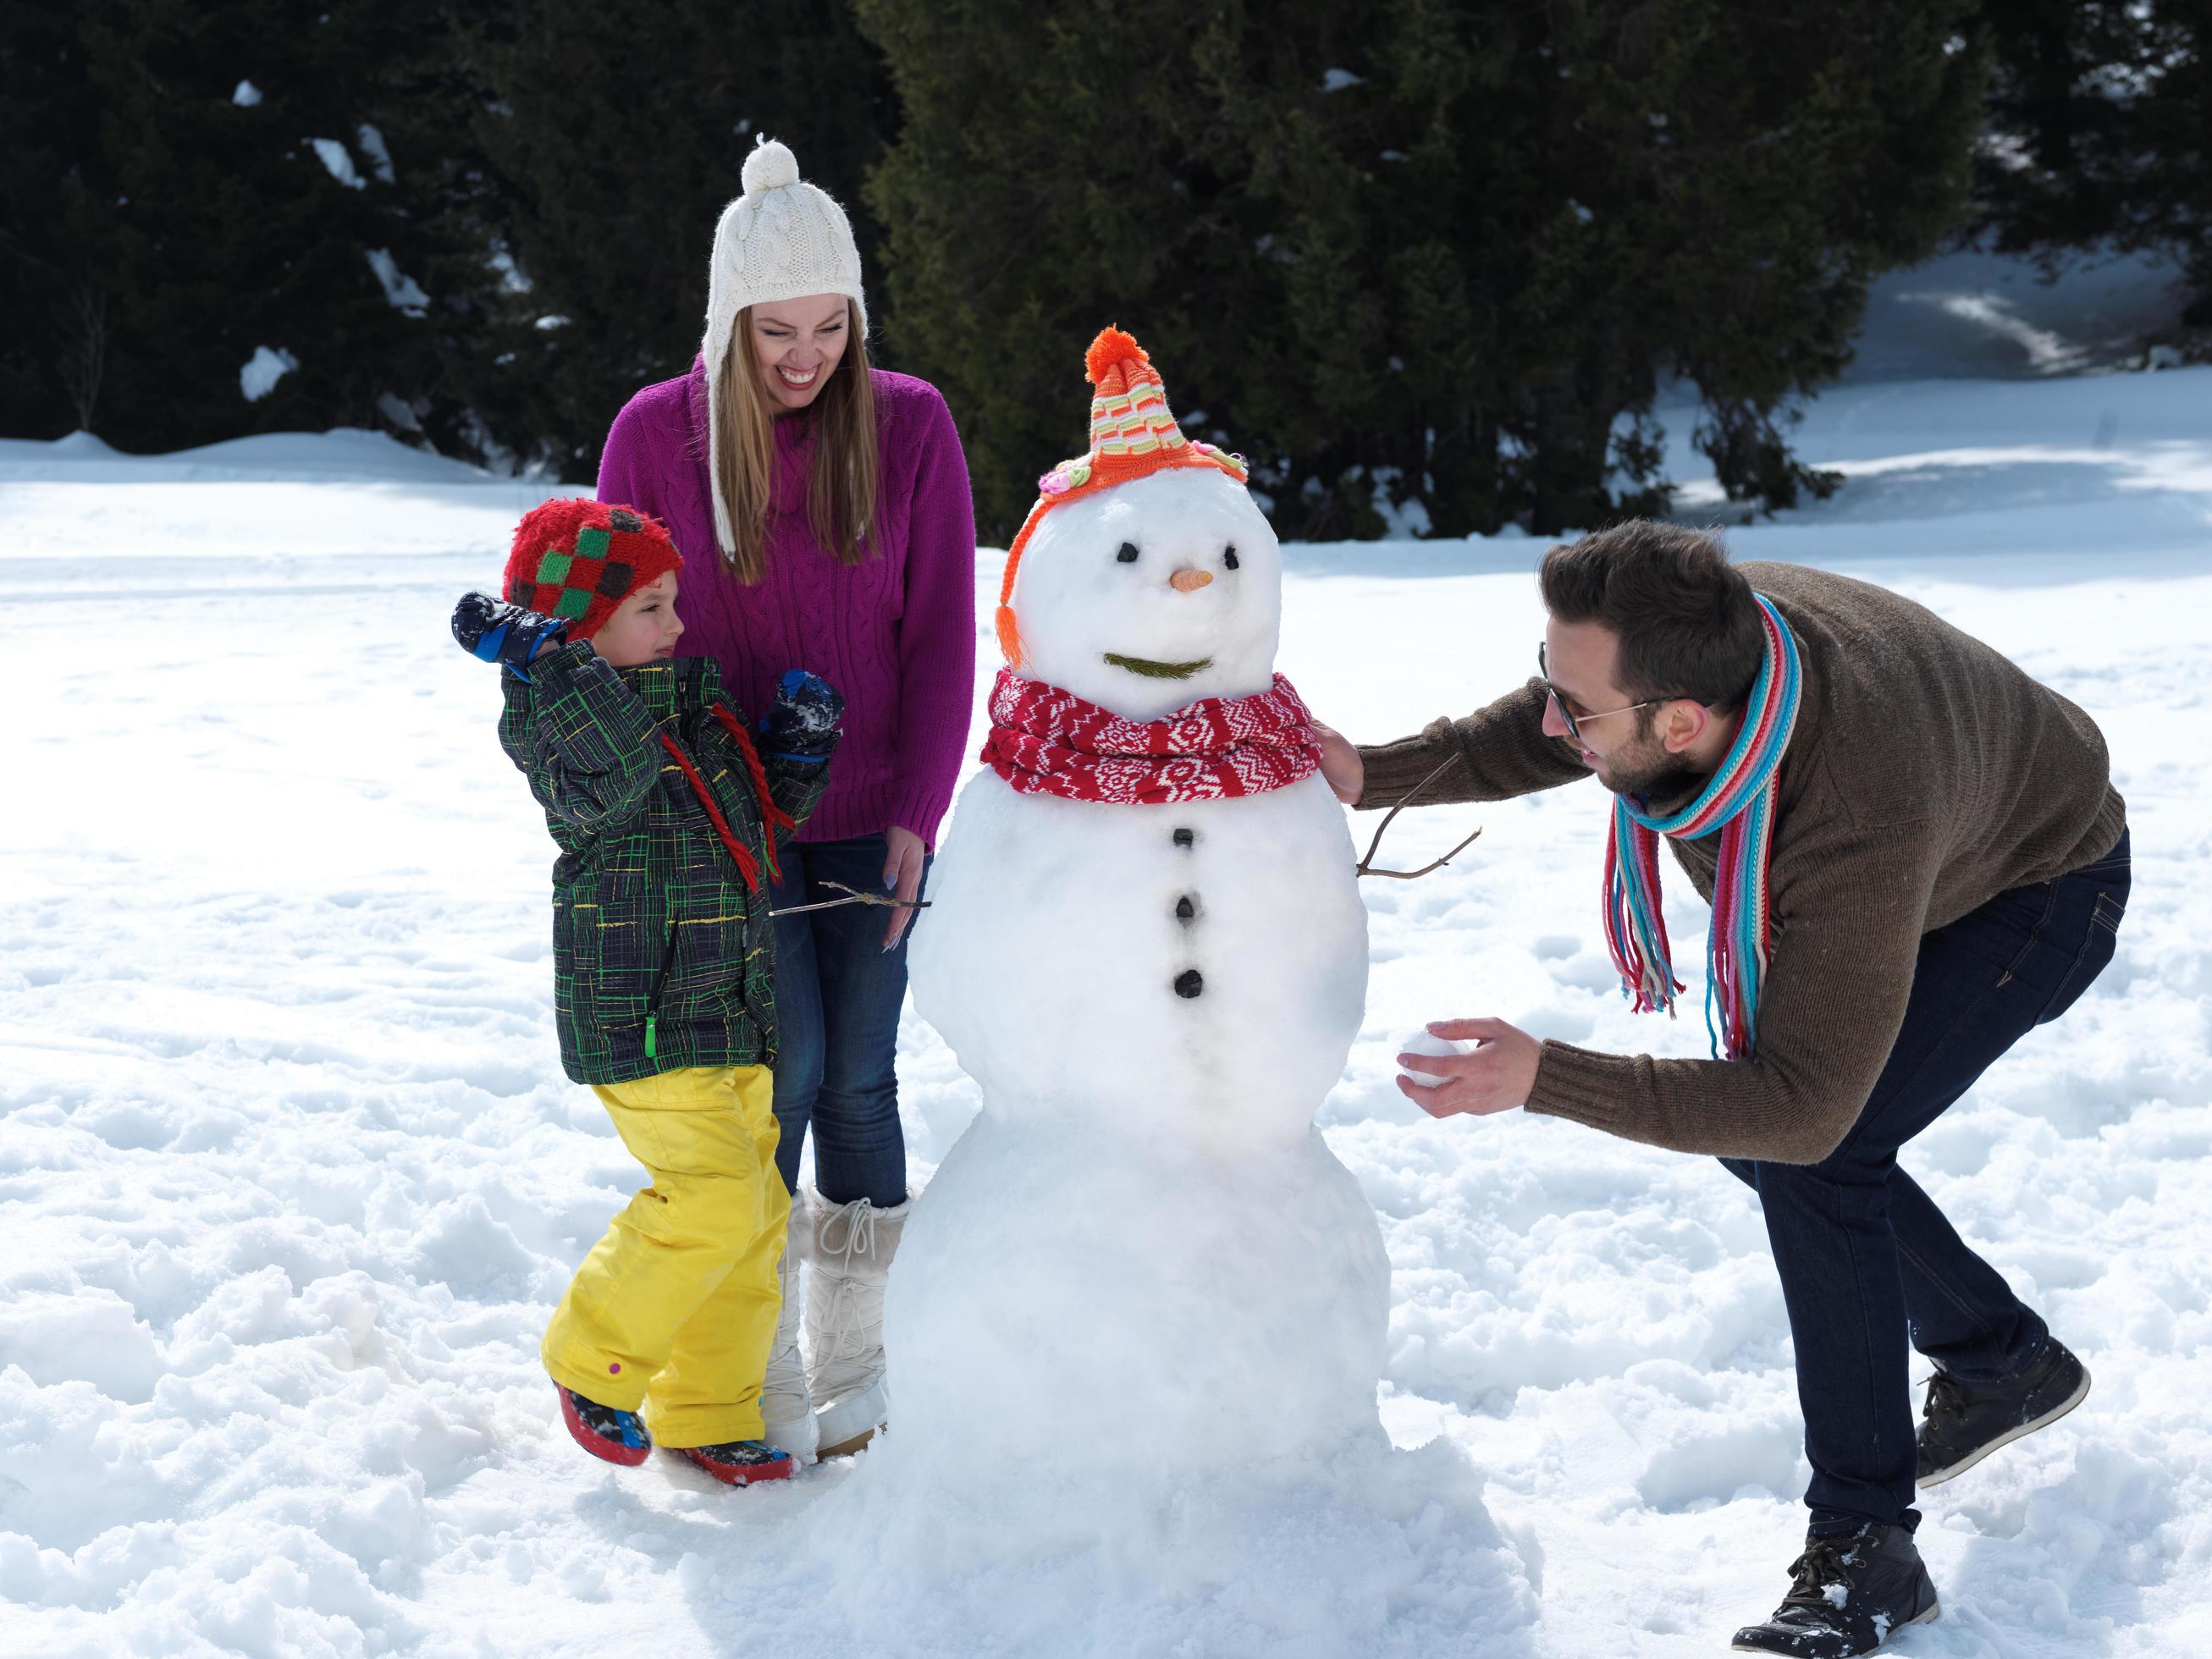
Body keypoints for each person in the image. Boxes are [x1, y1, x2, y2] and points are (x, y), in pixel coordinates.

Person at [1314, 522, 2129, 1658]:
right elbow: (1576, 704)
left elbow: (1799, 1102)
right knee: (1777, 1138)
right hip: (1936, 844)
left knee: (1808, 1148)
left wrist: (1546, 1076)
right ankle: (2003, 1364)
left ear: (1685, 725)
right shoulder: (1707, 647)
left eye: (1577, 714)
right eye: (1553, 686)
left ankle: (1866, 1547)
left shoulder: (1853, 810)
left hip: (2035, 884)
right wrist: (1375, 769)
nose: (1554, 724)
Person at [593, 137, 976, 1460]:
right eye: (776, 331)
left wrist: (920, 812)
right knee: (778, 1082)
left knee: (861, 1086)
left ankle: (856, 1366)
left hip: (874, 821)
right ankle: (733, 1361)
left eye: (829, 326)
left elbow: (938, 642)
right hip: (726, 832)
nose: (805, 356)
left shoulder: (912, 423)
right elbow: (617, 634)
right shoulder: (657, 435)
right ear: (727, 322)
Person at [451, 496, 843, 1487]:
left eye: (674, 603)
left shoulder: (688, 703)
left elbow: (749, 830)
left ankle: (710, 1409)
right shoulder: (556, 720)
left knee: (752, 1221)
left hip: (727, 1009)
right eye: (651, 608)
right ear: (580, 631)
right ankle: (592, 1361)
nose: (677, 625)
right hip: (645, 1012)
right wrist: (555, 665)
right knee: (710, 1201)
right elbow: (615, 779)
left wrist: (793, 759)